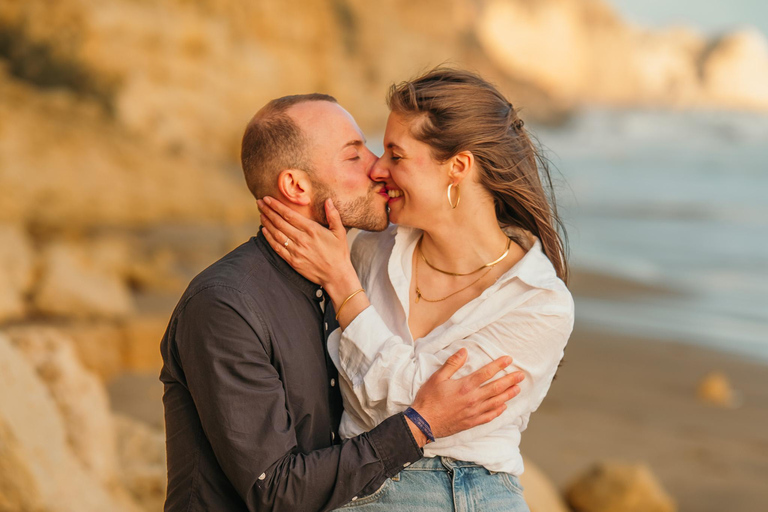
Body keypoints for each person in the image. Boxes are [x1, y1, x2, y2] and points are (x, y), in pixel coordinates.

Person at [159, 93, 527, 512]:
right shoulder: (225, 306)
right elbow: (275, 492)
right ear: (296, 186)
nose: (377, 167)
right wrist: (420, 424)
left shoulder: (354, 277)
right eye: (354, 156)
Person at [257, 68, 575, 511]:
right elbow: (415, 412)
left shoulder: (538, 302)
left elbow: (412, 412)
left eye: (396, 154)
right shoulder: (370, 251)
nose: (377, 168)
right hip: (357, 484)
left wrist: (345, 289)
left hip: (469, 493)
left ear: (458, 167)